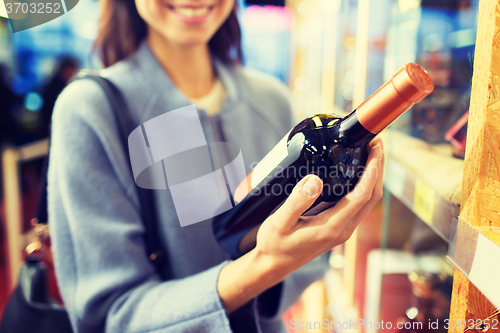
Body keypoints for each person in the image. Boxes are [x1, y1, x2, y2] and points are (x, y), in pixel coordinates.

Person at [48, 0, 384, 332]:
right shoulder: (90, 110)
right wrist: (264, 265)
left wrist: (316, 238)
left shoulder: (272, 100)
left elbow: (312, 249)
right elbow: (109, 315)